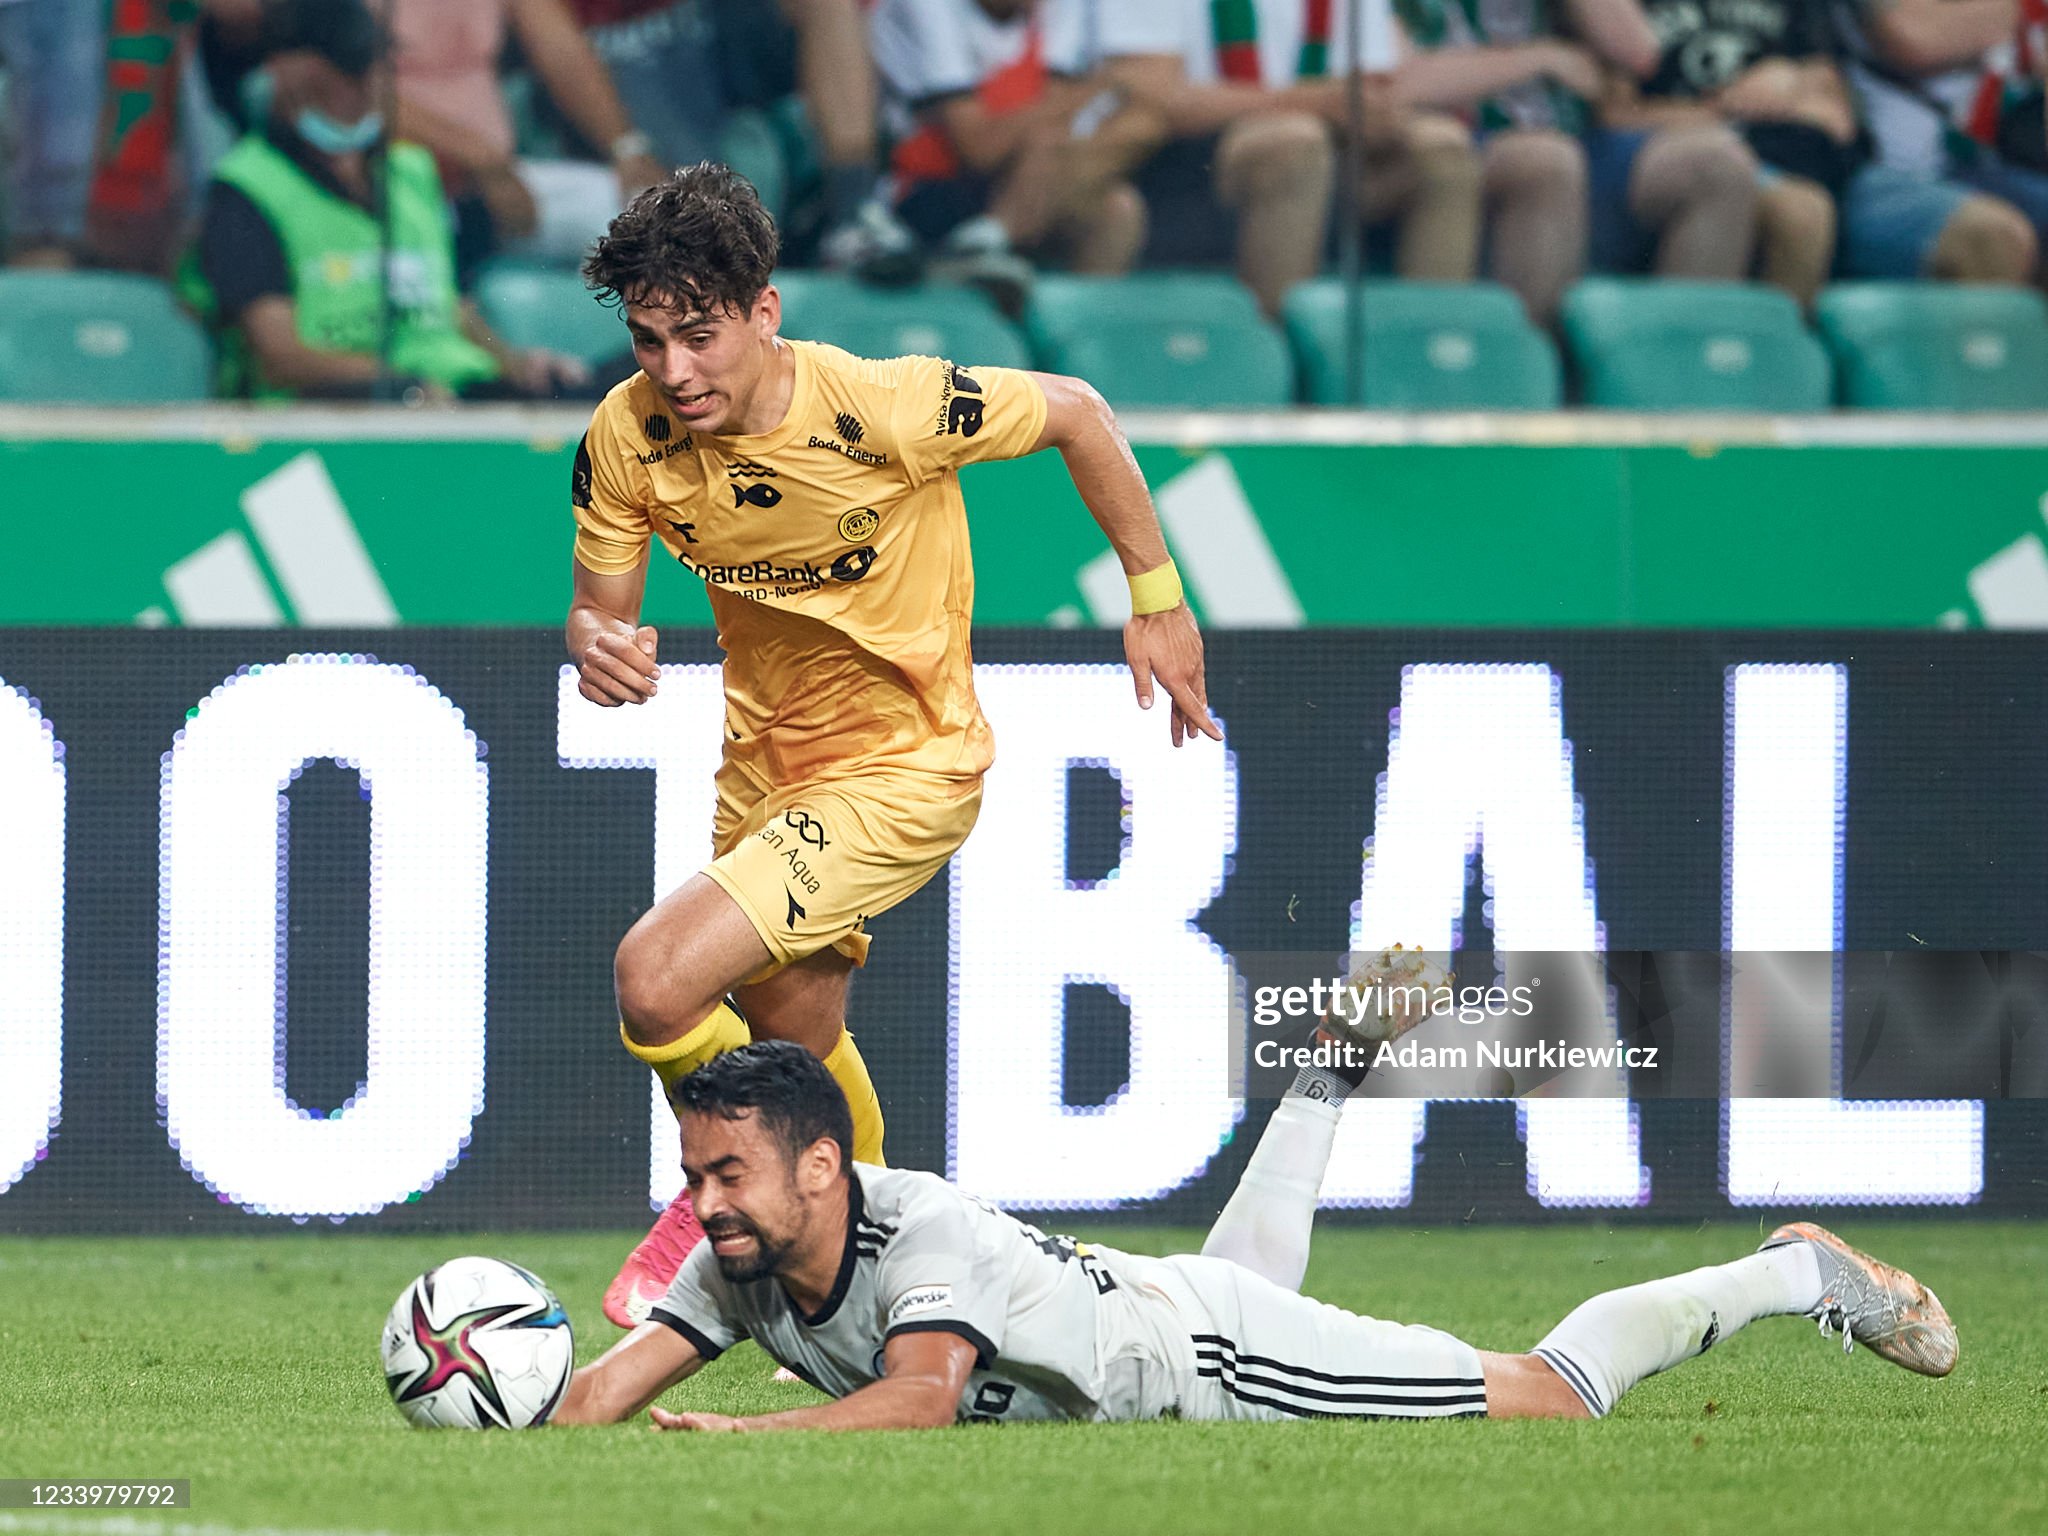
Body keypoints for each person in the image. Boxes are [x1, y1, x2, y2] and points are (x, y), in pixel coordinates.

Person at [566, 161, 1219, 1328]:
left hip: (905, 765)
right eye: (648, 340)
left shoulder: (886, 407)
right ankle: (881, 1287)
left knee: (655, 978)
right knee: (795, 1058)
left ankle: (710, 1190)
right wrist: (596, 640)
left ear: (765, 312)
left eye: (699, 336)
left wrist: (1157, 596)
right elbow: (602, 607)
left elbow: (1077, 411)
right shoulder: (627, 434)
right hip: (763, 774)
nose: (673, 371)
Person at [549, 1037, 1958, 1430]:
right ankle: (1327, 1076)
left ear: (821, 1165)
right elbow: (598, 1399)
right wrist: (476, 1386)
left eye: (729, 1173)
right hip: (1158, 1302)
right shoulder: (733, 1257)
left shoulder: (930, 1233)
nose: (706, 1201)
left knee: (1544, 1399)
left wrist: (743, 1441)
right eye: (695, 1175)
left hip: (1206, 1367)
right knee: (1224, 1275)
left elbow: (919, 1403)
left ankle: (1788, 1272)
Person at [180, 0, 590, 400]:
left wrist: (521, 368)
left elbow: (452, 310)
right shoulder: (246, 189)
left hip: (456, 399)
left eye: (371, 73)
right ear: (288, 76)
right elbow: (279, 355)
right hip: (340, 417)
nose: (360, 93)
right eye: (342, 78)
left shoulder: (411, 172)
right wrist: (404, 388)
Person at [1089, 0, 1485, 318]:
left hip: (1329, 151)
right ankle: (1276, 362)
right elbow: (1155, 101)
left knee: (1443, 148)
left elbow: (1372, 85)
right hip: (1181, 166)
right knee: (1292, 144)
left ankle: (1433, 359)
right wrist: (1315, 101)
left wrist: (1378, 113)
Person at [568, 0, 921, 281]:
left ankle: (854, 210)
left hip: (712, 47)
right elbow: (552, 37)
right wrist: (626, 147)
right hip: (615, 69)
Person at [869, 0, 1158, 300]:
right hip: (923, 196)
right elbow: (979, 147)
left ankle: (1071, 329)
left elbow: (1058, 121)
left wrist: (1069, 105)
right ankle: (985, 244)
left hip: (1015, 180)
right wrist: (1093, 89)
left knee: (1118, 207)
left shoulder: (1057, 10)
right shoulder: (926, 8)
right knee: (1048, 144)